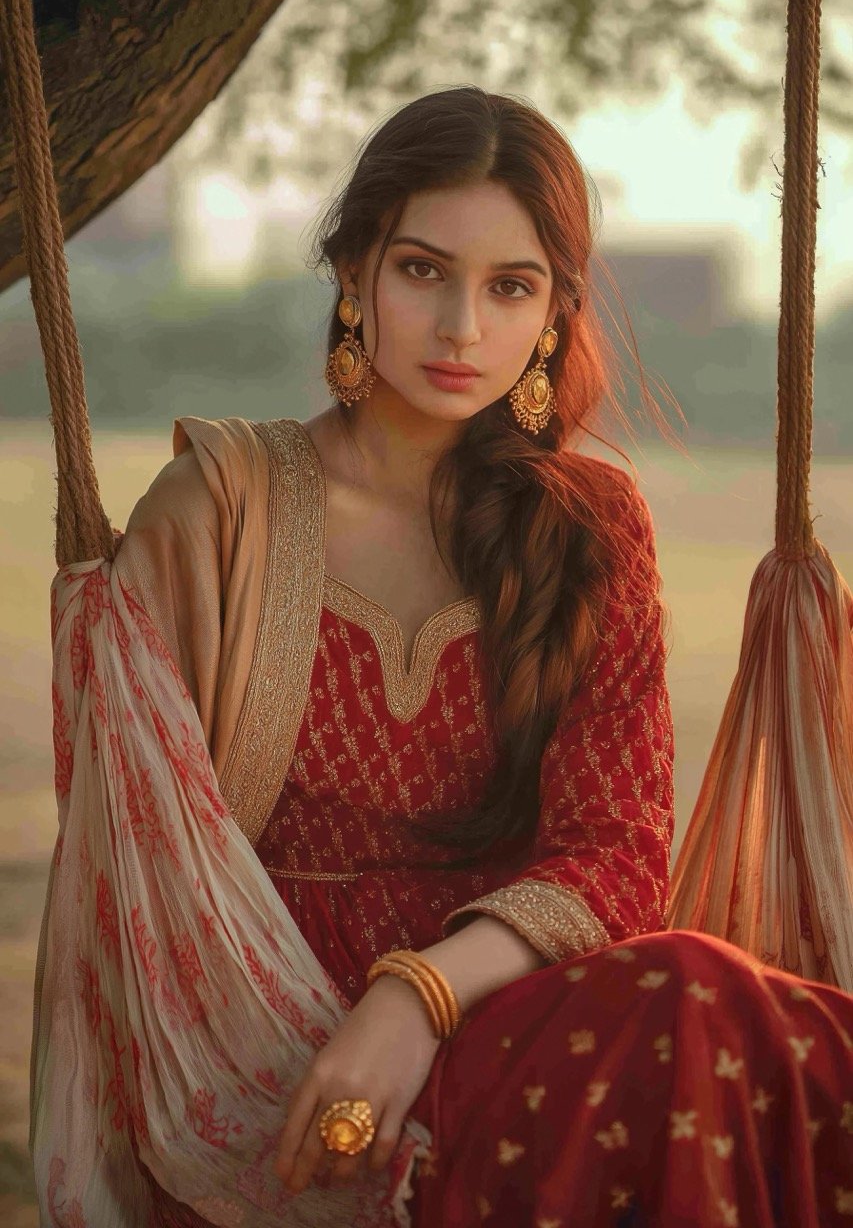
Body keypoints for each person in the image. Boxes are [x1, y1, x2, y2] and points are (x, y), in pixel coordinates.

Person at [33, 86, 852, 1227]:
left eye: (508, 286)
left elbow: (612, 855)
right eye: (424, 270)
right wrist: (345, 1022)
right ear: (355, 272)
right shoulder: (219, 506)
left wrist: (413, 999)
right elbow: (136, 852)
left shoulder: (586, 524)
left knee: (741, 1016)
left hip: (500, 1012)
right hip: (256, 1032)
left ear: (554, 316)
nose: (462, 325)